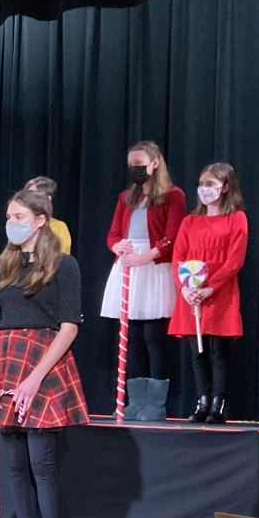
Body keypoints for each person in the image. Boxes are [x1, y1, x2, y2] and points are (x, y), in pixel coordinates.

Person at [0, 191, 89, 518]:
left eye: (19, 215)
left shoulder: (63, 265)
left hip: (43, 362)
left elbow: (69, 326)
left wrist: (35, 377)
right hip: (5, 362)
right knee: (14, 466)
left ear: (40, 220)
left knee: (41, 464)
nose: (12, 221)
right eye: (9, 215)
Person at [98, 142, 185, 422]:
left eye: (140, 164)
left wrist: (146, 257)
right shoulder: (126, 197)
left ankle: (156, 404)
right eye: (131, 165)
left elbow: (173, 237)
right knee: (131, 337)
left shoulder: (173, 196)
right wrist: (118, 248)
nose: (135, 170)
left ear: (154, 163)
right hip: (129, 268)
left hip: (154, 267)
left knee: (153, 337)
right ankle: (134, 401)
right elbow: (112, 234)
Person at [168, 164, 249, 424]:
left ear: (225, 187)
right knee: (198, 352)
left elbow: (234, 260)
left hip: (219, 292)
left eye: (211, 185)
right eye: (202, 184)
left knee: (218, 351)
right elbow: (178, 257)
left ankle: (218, 404)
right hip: (192, 295)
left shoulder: (236, 218)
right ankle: (202, 401)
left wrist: (210, 288)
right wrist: (186, 289)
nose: (205, 190)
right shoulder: (190, 221)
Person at [23, 176, 73, 253]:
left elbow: (61, 258)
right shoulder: (21, 224)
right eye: (26, 194)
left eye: (32, 194)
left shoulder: (59, 227)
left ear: (47, 198)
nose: (27, 199)